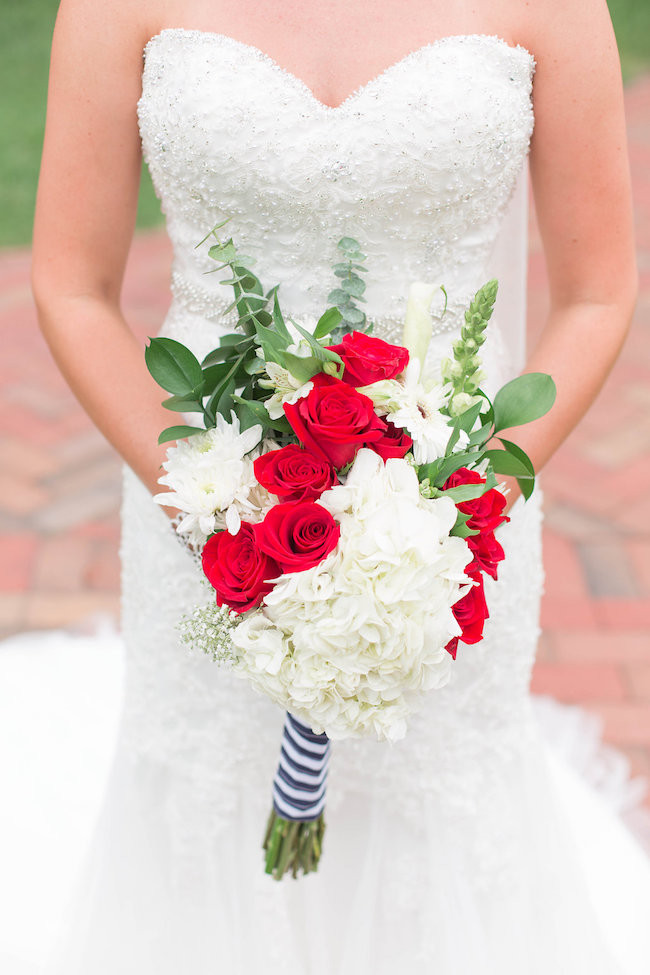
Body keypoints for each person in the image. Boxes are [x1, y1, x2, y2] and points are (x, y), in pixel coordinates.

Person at [12, 0, 650, 971]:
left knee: (427, 802)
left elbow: (599, 290)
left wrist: (454, 505)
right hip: (202, 514)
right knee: (212, 803)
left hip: (445, 538)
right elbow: (69, 282)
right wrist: (214, 508)